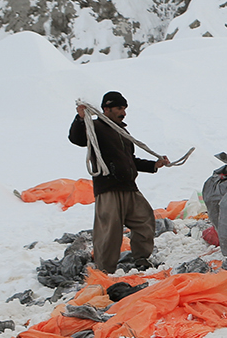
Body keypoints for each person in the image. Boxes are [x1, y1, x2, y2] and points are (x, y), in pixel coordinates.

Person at [68, 91, 170, 272]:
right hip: (108, 188)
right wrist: (80, 118)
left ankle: (141, 259)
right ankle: (104, 270)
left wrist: (155, 164)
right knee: (109, 232)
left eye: (124, 108)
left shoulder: (122, 132)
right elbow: (77, 139)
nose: (123, 112)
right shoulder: (96, 128)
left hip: (129, 187)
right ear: (106, 109)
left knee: (145, 220)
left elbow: (131, 160)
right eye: (119, 108)